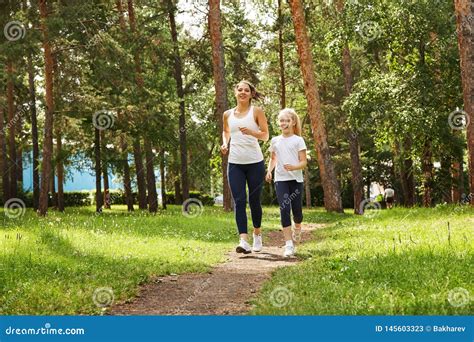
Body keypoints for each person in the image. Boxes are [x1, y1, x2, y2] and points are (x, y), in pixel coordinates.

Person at [221, 80, 269, 254]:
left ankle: (257, 234)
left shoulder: (256, 112)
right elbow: (226, 131)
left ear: (251, 94)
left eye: (246, 90)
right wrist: (225, 143)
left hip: (255, 163)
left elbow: (265, 135)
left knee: (254, 201)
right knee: (239, 202)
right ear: (235, 93)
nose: (242, 92)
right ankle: (243, 240)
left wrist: (251, 132)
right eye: (239, 90)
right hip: (235, 164)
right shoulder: (227, 114)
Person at [265, 108, 307, 257]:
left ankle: (298, 226)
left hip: (296, 180)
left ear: (293, 122)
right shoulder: (275, 140)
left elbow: (303, 162)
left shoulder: (298, 140)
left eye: (287, 120)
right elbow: (273, 158)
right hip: (281, 179)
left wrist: (294, 167)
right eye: (281, 120)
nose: (284, 123)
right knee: (284, 209)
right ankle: (289, 245)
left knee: (297, 212)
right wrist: (269, 170)